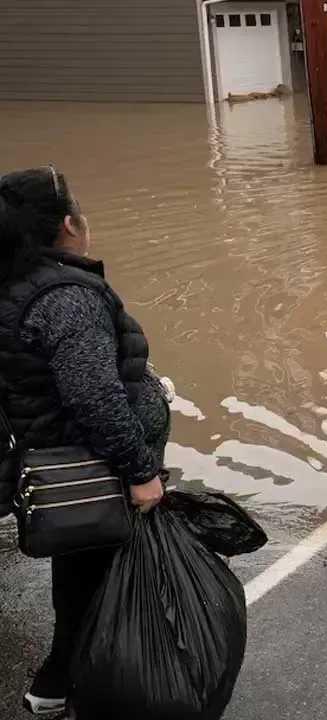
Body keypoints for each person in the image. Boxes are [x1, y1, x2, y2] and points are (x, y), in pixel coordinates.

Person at [0, 167, 170, 716]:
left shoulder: (16, 284)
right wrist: (141, 472)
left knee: (82, 572)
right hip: (90, 467)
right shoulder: (65, 297)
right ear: (69, 224)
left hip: (58, 464)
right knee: (90, 579)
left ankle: (65, 682)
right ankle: (70, 686)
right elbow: (93, 396)